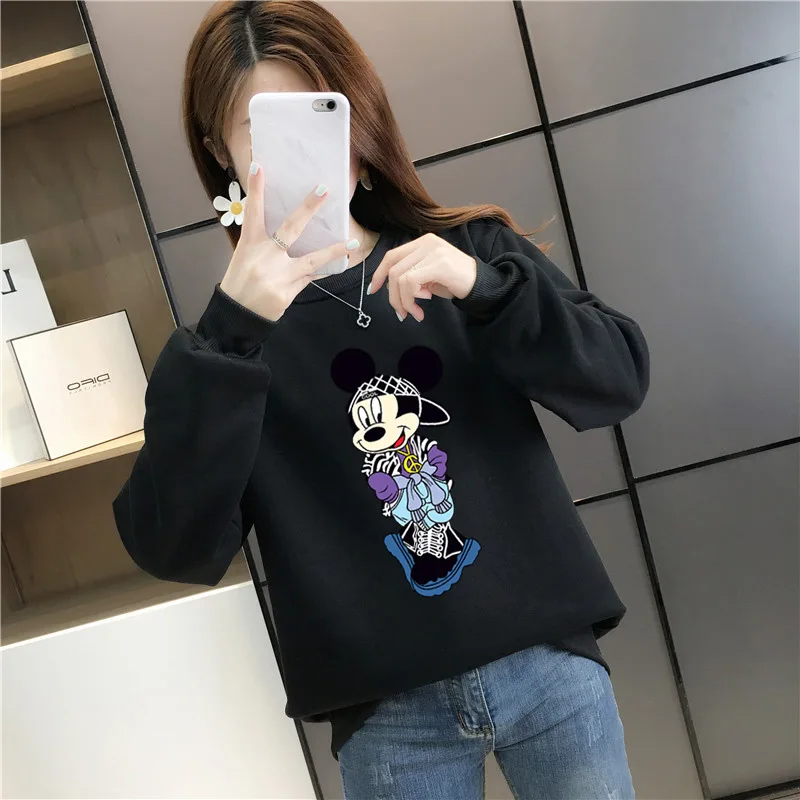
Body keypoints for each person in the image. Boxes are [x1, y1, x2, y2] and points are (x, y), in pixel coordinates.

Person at [114, 1, 649, 797]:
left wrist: (486, 289)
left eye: (321, 118)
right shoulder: (222, 353)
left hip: (547, 668)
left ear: (360, 119)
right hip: (390, 720)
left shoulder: (469, 256)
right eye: (265, 134)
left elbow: (617, 380)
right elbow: (171, 546)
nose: (304, 157)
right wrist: (229, 335)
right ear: (219, 151)